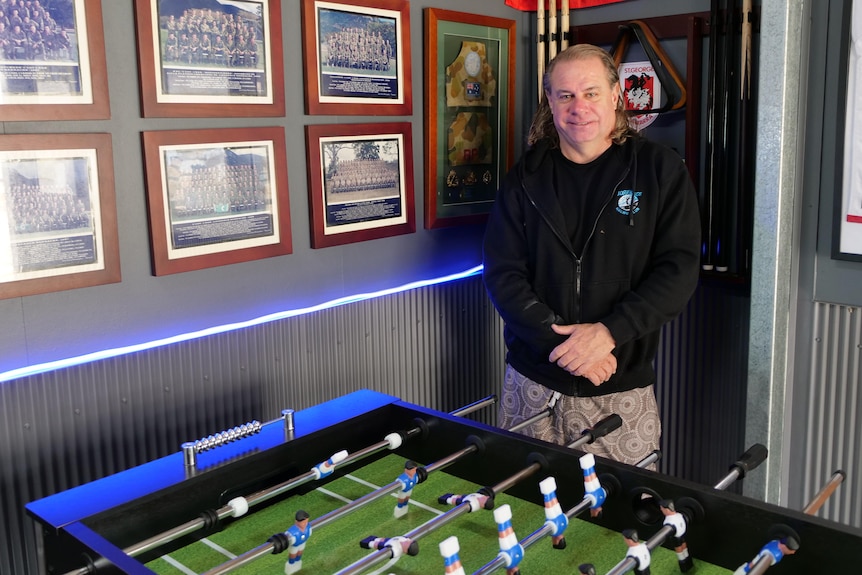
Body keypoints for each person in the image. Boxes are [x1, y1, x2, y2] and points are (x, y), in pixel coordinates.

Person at [482, 44, 701, 466]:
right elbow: (503, 274)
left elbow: (678, 270)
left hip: (618, 386)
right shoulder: (524, 178)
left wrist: (607, 334)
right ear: (550, 100)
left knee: (621, 522)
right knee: (527, 514)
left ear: (616, 95)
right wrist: (561, 345)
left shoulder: (659, 171)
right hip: (533, 383)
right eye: (565, 95)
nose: (578, 107)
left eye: (591, 92)